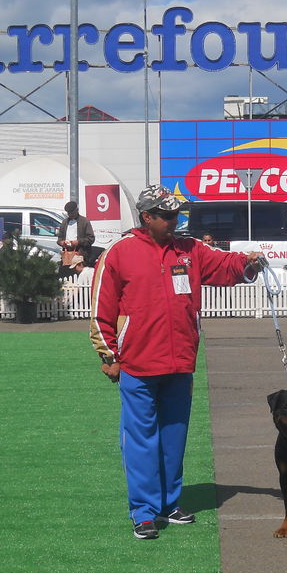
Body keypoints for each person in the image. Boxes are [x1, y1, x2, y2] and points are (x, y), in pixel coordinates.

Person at [90, 185, 264, 540]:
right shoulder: (119, 252)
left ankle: (169, 503)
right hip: (137, 365)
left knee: (174, 438)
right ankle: (143, 511)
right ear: (146, 217)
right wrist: (109, 355)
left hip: (181, 363)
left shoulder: (190, 249)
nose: (174, 220)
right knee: (140, 442)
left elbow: (225, 265)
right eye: (166, 215)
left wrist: (247, 263)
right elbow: (100, 310)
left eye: (176, 214)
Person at [56, 201, 95, 272]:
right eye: (69, 213)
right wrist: (62, 243)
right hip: (67, 256)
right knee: (67, 274)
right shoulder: (64, 222)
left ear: (76, 210)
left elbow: (91, 238)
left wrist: (78, 242)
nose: (70, 214)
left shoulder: (84, 221)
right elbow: (59, 239)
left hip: (80, 255)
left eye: (72, 212)